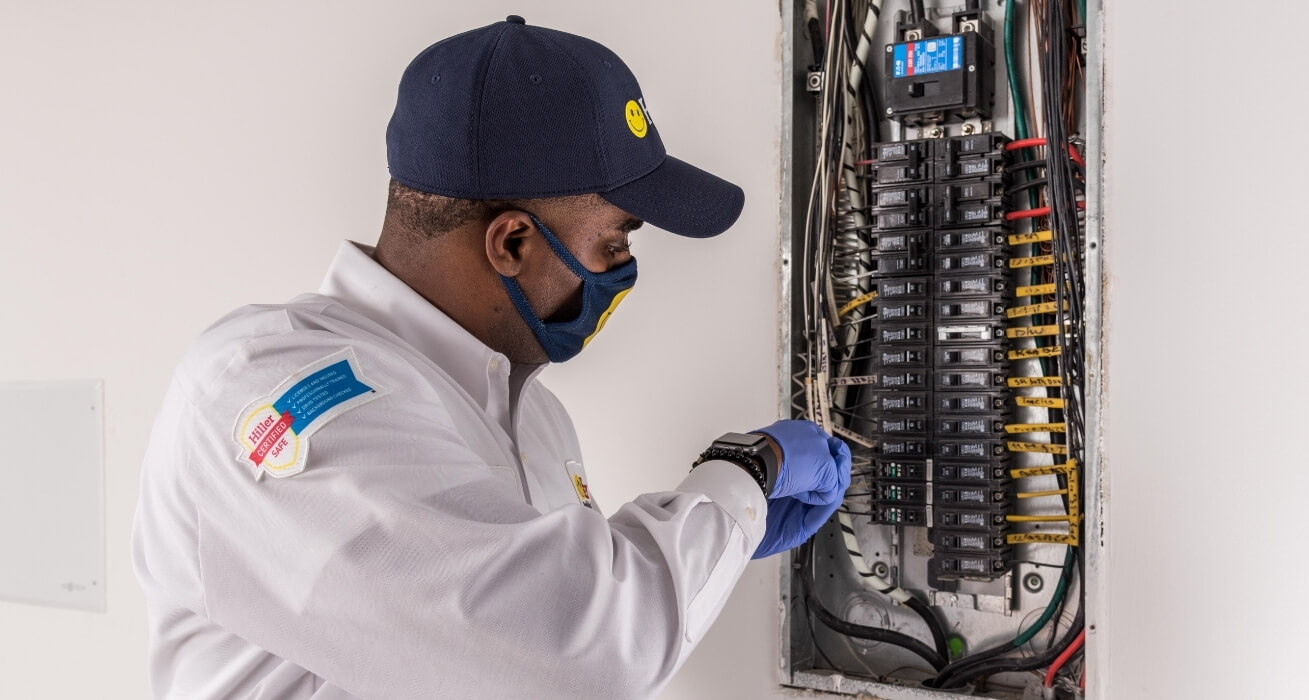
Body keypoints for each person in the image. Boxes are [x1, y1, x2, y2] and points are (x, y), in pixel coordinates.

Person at [131, 16, 850, 700]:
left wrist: (723, 539)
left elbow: (538, 620)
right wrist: (742, 479)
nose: (625, 269)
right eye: (617, 240)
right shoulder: (271, 389)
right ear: (511, 242)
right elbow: (582, 651)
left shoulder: (533, 416)